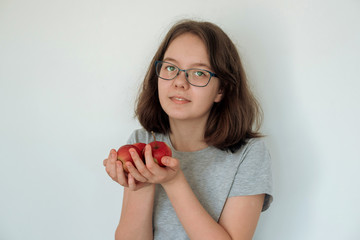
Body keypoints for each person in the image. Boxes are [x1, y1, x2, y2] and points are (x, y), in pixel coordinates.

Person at [103, 19, 273, 240]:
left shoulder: (250, 154)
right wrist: (142, 183)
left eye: (199, 73)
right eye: (171, 68)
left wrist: (173, 182)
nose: (179, 82)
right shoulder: (142, 140)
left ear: (221, 90)